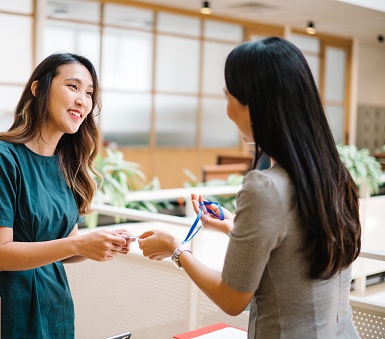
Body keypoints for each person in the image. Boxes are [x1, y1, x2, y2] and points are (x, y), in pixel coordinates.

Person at [138, 37, 361, 338]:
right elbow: (295, 258)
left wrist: (176, 250)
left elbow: (232, 298)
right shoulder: (335, 176)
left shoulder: (264, 187)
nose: (227, 109)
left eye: (228, 97)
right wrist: (233, 227)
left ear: (254, 106)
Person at [0, 53, 134, 338]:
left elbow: (65, 246)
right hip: (6, 307)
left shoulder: (67, 164)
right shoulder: (0, 157)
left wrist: (96, 245)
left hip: (55, 305)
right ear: (38, 89)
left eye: (90, 92)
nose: (83, 100)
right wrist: (78, 246)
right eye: (73, 87)